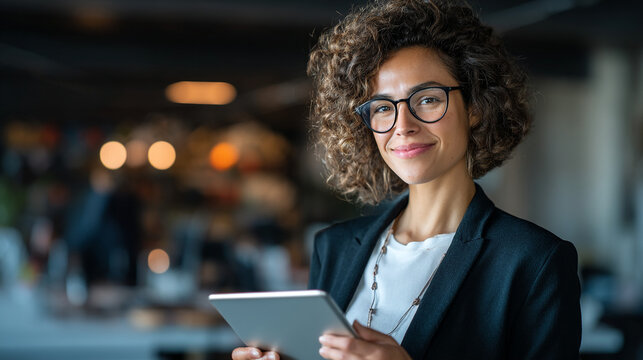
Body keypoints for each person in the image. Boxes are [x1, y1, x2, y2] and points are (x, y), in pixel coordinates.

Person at [232, 0, 581, 359]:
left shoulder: (533, 261)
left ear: (475, 107)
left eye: (427, 99)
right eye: (383, 107)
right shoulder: (333, 248)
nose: (403, 126)